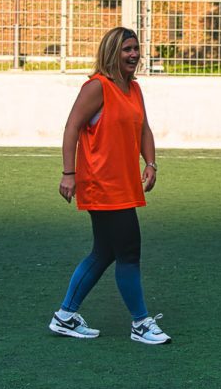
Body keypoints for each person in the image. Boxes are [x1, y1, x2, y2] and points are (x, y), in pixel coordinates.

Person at [49, 26, 171, 345]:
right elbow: (72, 127)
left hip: (124, 183)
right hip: (101, 183)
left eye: (136, 48)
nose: (134, 54)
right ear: (112, 52)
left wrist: (151, 163)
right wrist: (68, 173)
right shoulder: (96, 87)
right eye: (127, 49)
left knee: (104, 252)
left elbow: (144, 128)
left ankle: (65, 316)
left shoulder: (134, 89)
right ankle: (141, 323)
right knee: (129, 250)